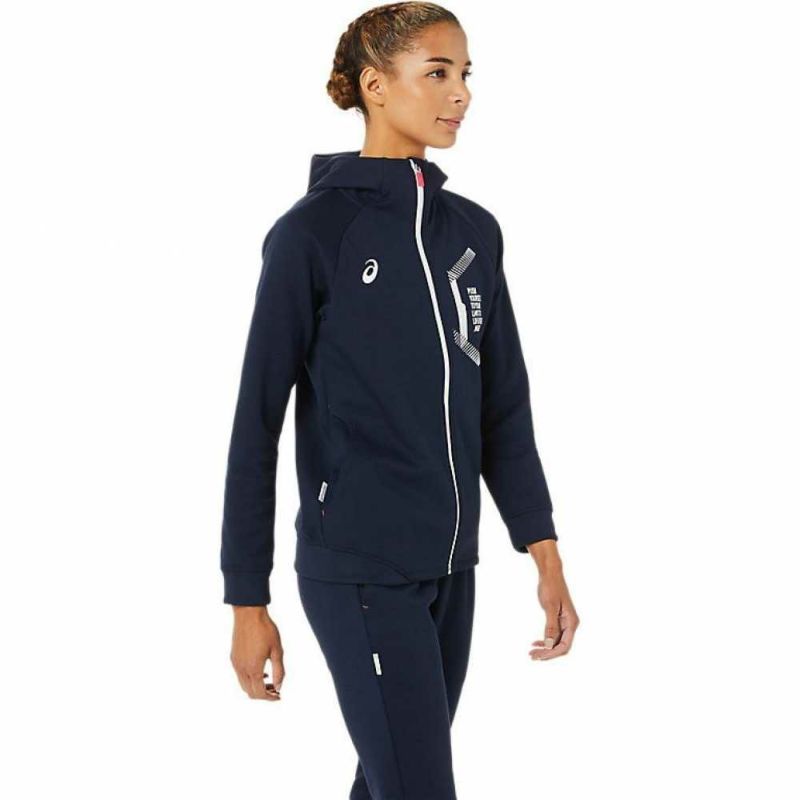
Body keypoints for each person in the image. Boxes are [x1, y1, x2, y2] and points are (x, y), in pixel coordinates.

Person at [220, 3, 580, 797]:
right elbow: (256, 423)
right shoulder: (313, 235)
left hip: (452, 568)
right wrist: (247, 599)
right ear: (375, 86)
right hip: (359, 569)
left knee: (394, 780)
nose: (461, 93)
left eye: (466, 74)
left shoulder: (474, 234)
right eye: (438, 72)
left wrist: (544, 552)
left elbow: (503, 409)